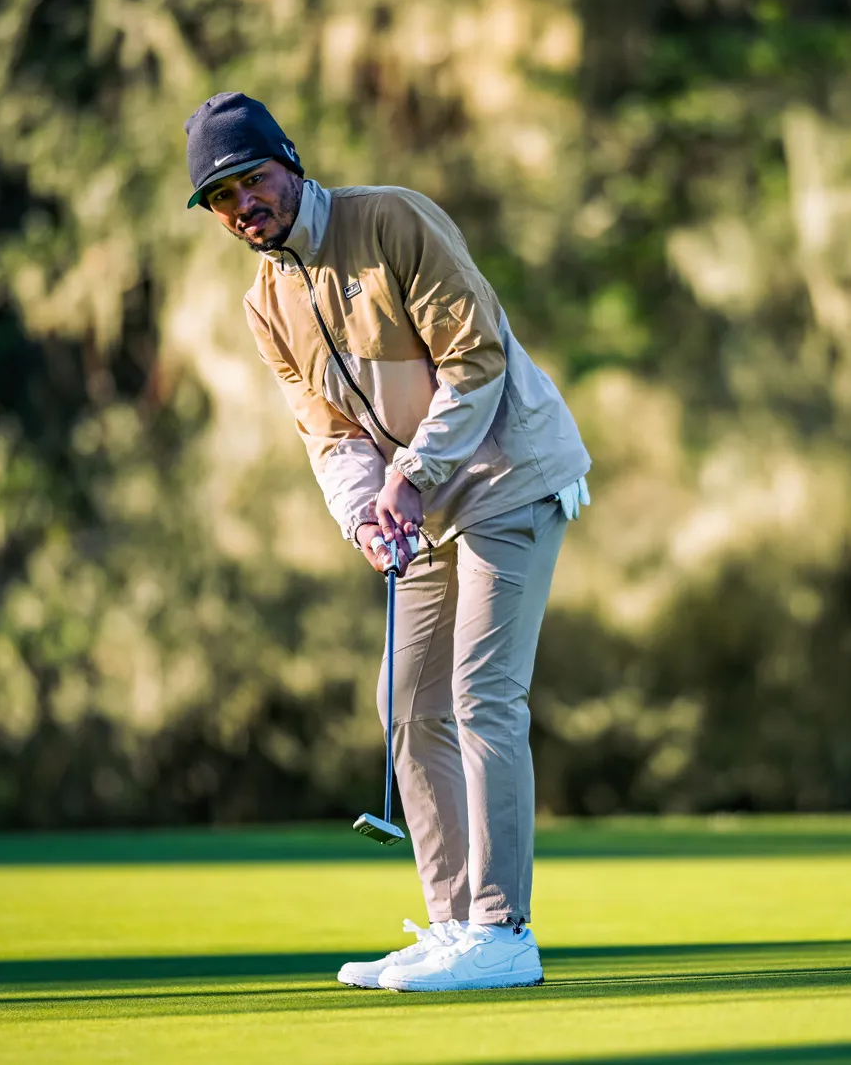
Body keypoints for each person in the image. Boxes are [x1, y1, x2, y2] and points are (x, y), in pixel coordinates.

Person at [184, 92, 591, 992]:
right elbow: (326, 433)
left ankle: (503, 930)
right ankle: (451, 927)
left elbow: (477, 357)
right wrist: (366, 511)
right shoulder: (266, 302)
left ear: (289, 162)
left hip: (508, 474)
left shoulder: (391, 220)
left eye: (253, 179)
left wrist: (410, 472)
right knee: (406, 704)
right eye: (221, 197)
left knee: (482, 691)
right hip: (425, 505)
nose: (243, 204)